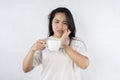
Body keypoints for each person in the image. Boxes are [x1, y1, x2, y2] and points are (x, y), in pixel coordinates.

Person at [22, 7, 89, 80]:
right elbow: (26, 69)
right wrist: (32, 49)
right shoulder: (44, 43)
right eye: (57, 22)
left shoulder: (76, 43)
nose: (60, 26)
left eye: (65, 23)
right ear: (51, 23)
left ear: (69, 25)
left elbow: (84, 65)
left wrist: (63, 45)